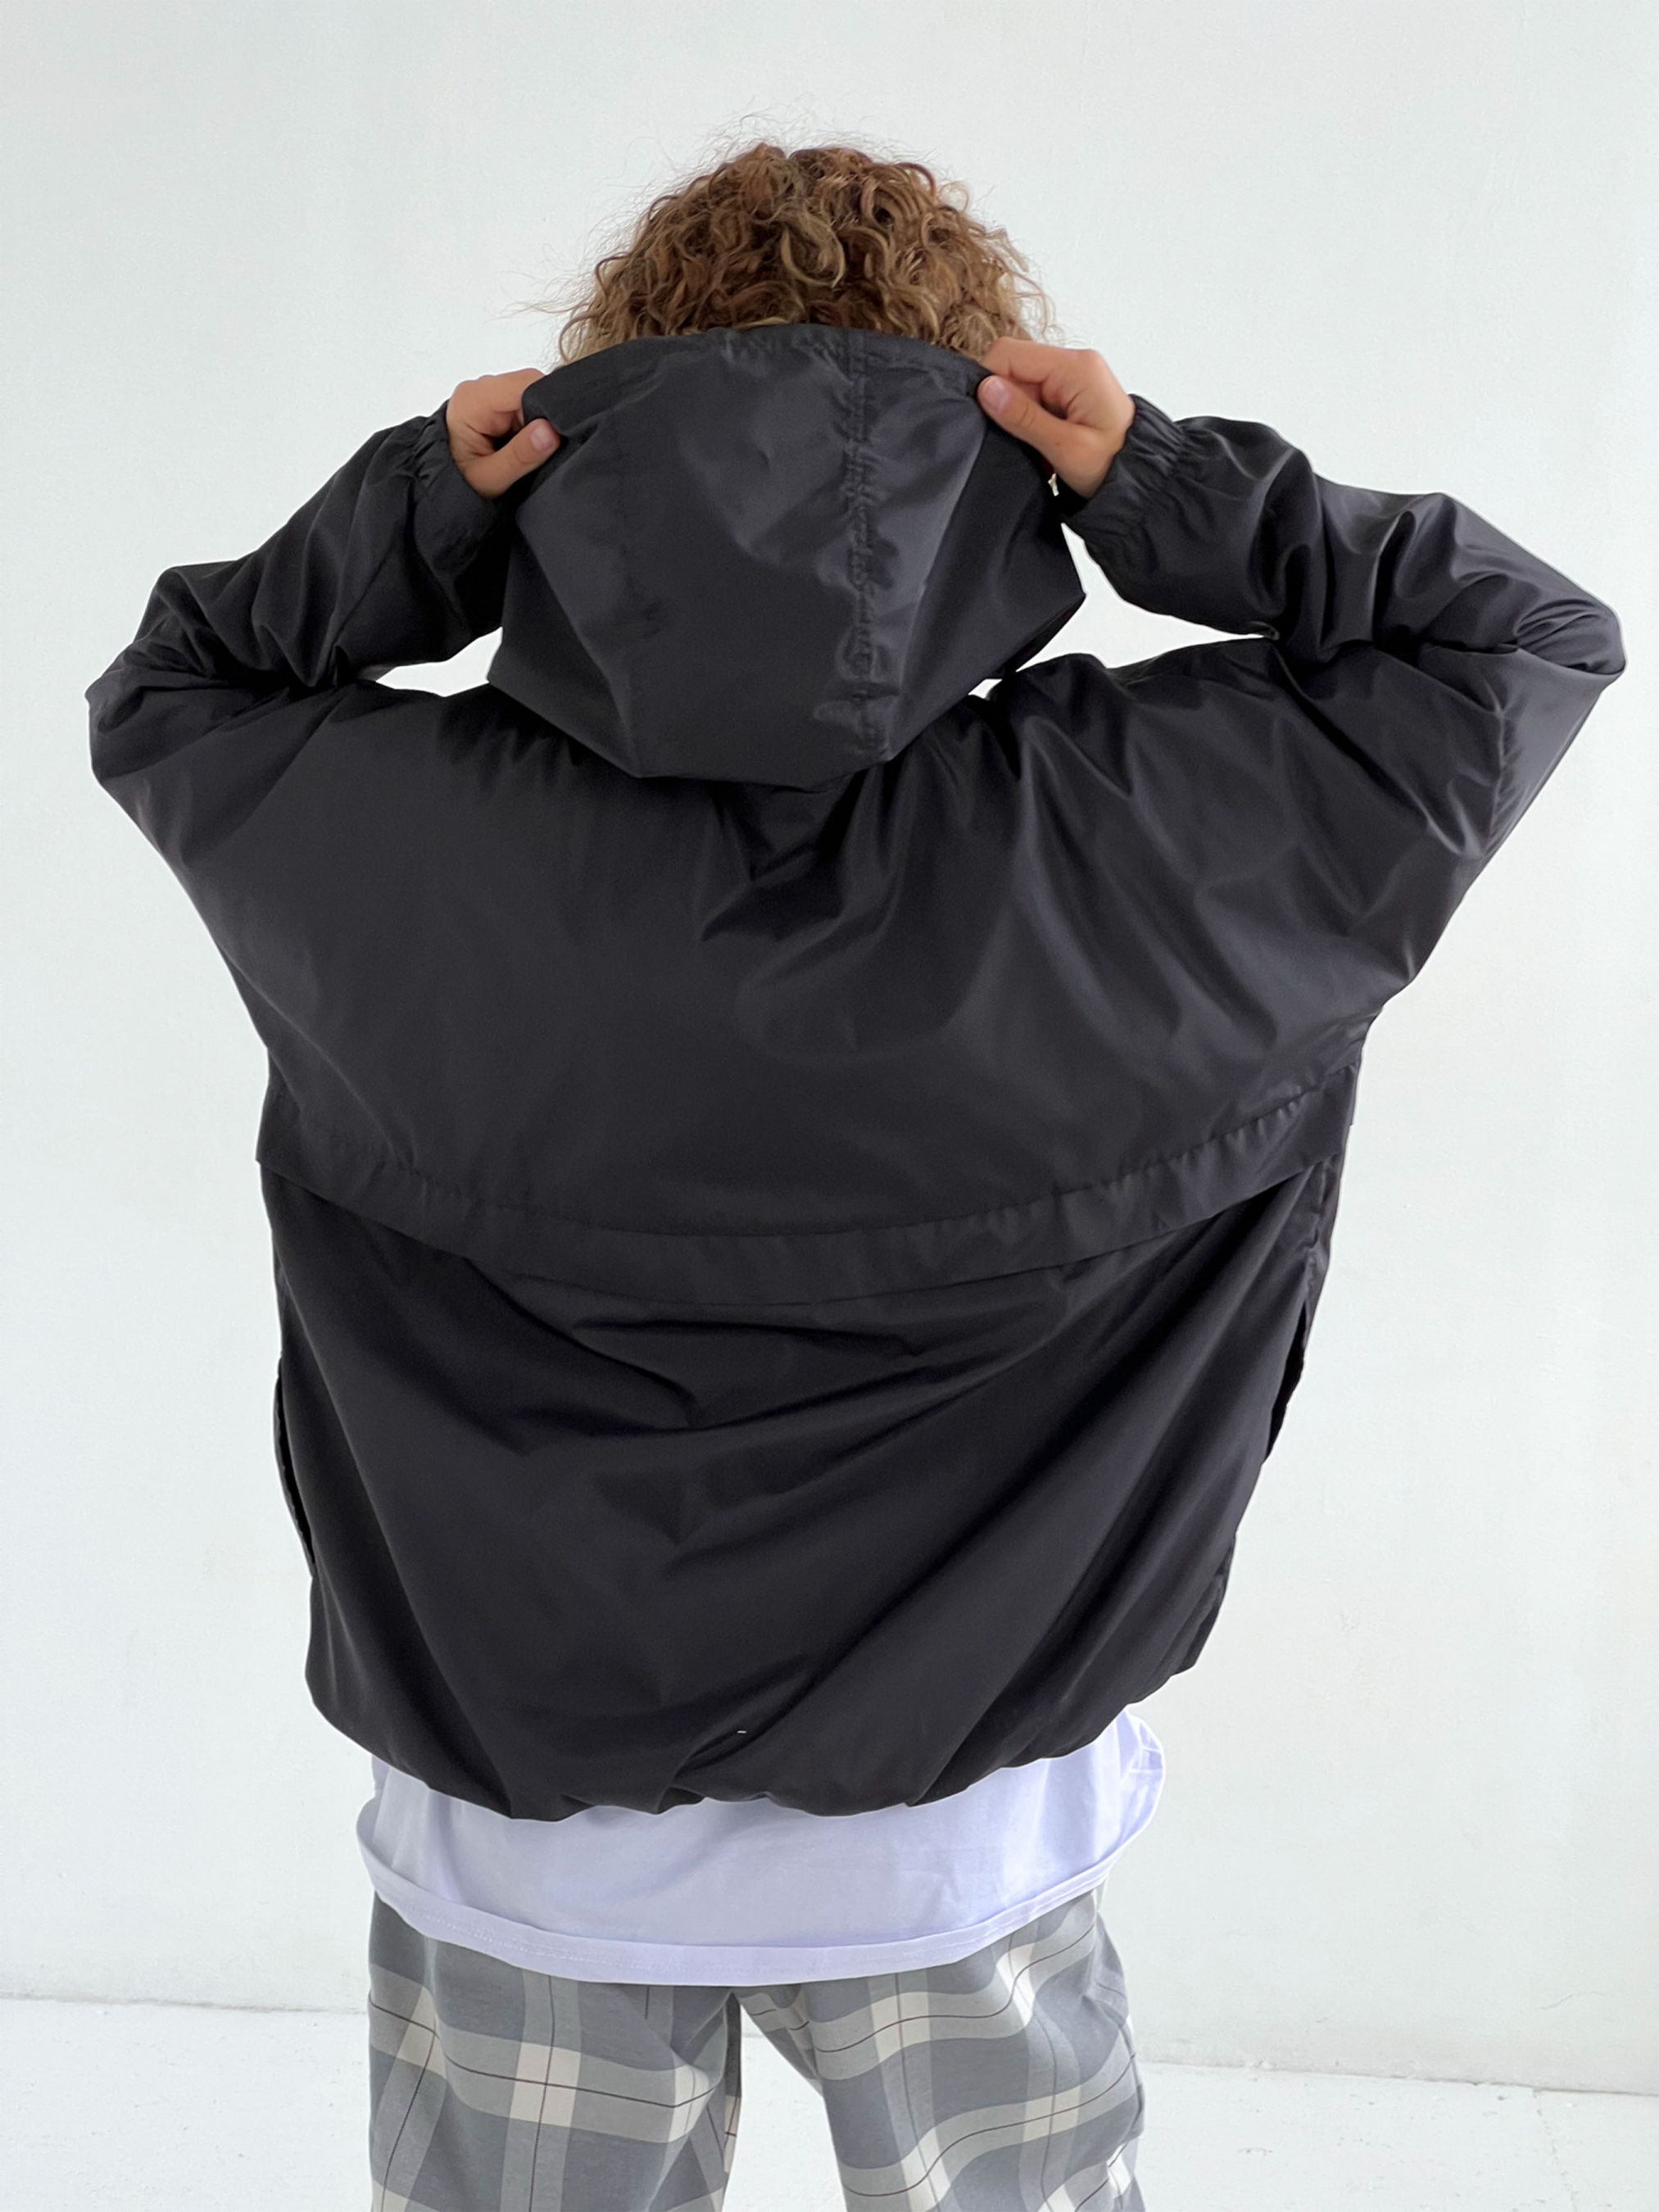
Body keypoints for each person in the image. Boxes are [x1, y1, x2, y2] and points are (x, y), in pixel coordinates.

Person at [86, 140, 1622, 2212]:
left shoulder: (385, 832)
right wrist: (1160, 485)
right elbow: (1513, 638)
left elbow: (175, 685)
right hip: (965, 1835)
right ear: (987, 436)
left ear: (587, 430)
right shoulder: (1157, 828)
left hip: (527, 1849)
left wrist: (427, 512)